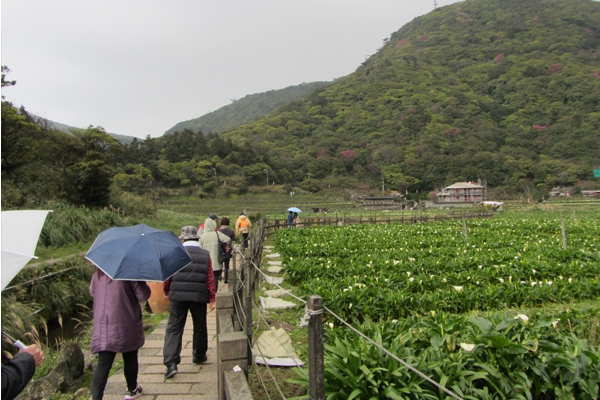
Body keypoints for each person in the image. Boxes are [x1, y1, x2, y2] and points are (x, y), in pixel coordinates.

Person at [163, 226, 216, 379]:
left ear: (183, 239)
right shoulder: (205, 255)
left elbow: (168, 275)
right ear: (196, 238)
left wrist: (167, 291)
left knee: (174, 328)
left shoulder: (175, 253)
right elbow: (210, 278)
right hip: (199, 296)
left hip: (178, 296)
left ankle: (171, 363)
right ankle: (198, 355)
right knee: (200, 325)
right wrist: (212, 298)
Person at [90, 268, 150, 400]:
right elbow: (143, 295)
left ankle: (96, 397)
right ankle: (131, 389)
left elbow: (92, 292)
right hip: (125, 321)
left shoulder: (97, 274)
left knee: (103, 362)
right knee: (130, 355)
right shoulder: (129, 273)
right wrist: (141, 279)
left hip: (103, 325)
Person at [200, 214, 232, 293]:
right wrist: (229, 246)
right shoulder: (217, 234)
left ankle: (207, 294)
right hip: (216, 262)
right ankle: (214, 293)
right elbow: (228, 239)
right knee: (215, 277)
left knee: (206, 278)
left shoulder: (202, 237)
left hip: (205, 262)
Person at [217, 217, 236, 284]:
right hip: (228, 249)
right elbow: (233, 241)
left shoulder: (218, 232)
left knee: (220, 263)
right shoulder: (231, 232)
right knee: (227, 265)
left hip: (220, 250)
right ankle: (225, 278)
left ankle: (219, 276)